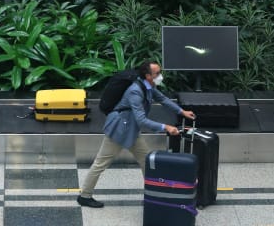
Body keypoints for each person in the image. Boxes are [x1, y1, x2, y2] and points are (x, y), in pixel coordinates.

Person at [77, 60, 196, 208]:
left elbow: (163, 99)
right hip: (119, 130)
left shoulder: (148, 86)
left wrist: (182, 111)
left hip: (131, 129)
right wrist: (165, 127)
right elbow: (141, 120)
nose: (160, 76)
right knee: (100, 163)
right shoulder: (135, 90)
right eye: (157, 73)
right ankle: (84, 196)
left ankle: (153, 193)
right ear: (147, 76)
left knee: (146, 161)